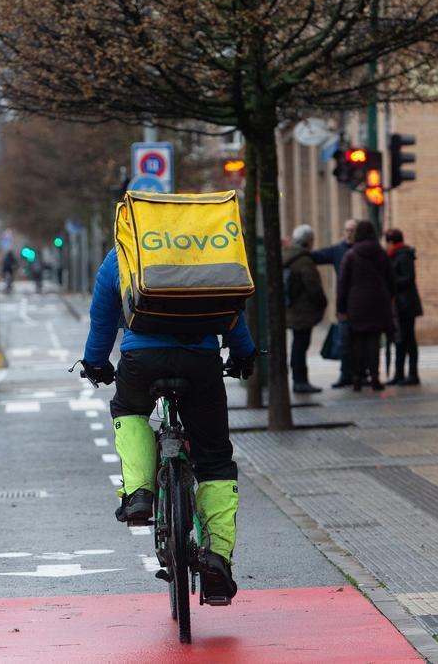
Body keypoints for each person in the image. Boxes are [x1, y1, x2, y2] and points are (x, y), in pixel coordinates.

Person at [80, 248, 257, 604]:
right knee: (214, 458)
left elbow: (102, 320)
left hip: (141, 360)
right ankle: (218, 558)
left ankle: (140, 493)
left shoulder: (123, 253)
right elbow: (233, 310)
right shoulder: (210, 252)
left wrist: (96, 363)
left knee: (128, 410)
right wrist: (244, 354)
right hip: (201, 361)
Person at [336, 220, 394, 391]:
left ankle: (357, 378)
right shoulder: (381, 254)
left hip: (356, 305)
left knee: (357, 344)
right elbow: (391, 280)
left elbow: (343, 284)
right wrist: (389, 298)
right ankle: (375, 377)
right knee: (373, 343)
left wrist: (341, 308)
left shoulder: (351, 255)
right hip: (378, 304)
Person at [311, 219, 358, 388]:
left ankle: (361, 373)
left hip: (360, 304)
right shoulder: (339, 250)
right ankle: (346, 375)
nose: (349, 233)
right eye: (347, 230)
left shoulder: (362, 249)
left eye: (352, 230)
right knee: (345, 340)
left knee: (361, 341)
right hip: (346, 302)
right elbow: (317, 256)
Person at [283, 225, 328, 394]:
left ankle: (298, 379)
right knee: (301, 345)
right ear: (309, 242)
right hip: (303, 311)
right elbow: (313, 288)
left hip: (292, 309)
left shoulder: (287, 256)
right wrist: (323, 302)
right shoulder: (304, 261)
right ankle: (300, 381)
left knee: (298, 344)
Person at [385, 229, 423, 386]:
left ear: (391, 242)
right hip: (398, 305)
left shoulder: (403, 255)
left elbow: (407, 278)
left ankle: (413, 374)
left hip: (406, 305)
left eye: (386, 242)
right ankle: (399, 374)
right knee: (399, 341)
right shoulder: (395, 255)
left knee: (408, 340)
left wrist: (390, 281)